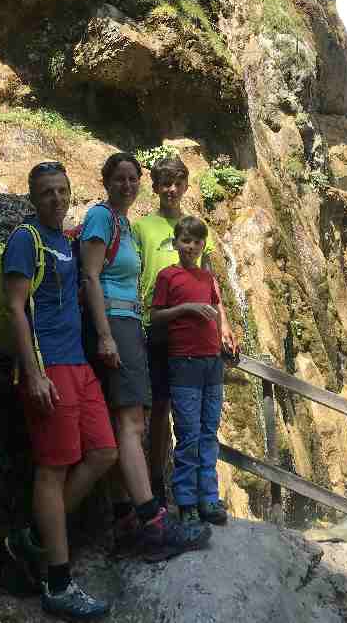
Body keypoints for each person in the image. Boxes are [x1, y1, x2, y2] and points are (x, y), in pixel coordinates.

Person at [81, 152, 211, 561]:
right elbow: (90, 274)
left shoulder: (119, 222)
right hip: (118, 325)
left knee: (131, 422)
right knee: (133, 421)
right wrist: (105, 335)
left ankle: (127, 518)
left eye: (132, 178)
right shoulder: (106, 218)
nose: (127, 185)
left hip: (129, 324)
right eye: (120, 178)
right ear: (107, 181)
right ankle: (153, 520)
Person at [2, 161, 117, 620]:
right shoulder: (24, 240)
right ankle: (58, 581)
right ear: (34, 198)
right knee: (53, 469)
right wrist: (33, 374)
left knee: (104, 452)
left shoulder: (64, 241)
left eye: (62, 190)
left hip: (80, 365)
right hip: (49, 366)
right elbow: (15, 308)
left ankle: (34, 538)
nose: (56, 198)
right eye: (47, 192)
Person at [131, 156, 236, 510]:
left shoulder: (197, 229)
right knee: (160, 406)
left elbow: (210, 283)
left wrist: (225, 325)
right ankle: (157, 482)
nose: (171, 189)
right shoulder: (142, 227)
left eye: (177, 183)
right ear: (156, 187)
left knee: (196, 420)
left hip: (196, 338)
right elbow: (136, 271)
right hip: (158, 326)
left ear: (186, 186)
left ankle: (198, 494)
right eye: (164, 183)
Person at [151, 216, 228, 526]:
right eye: (186, 241)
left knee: (209, 432)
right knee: (188, 434)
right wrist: (186, 309)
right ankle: (186, 501)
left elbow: (216, 313)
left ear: (202, 245)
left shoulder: (207, 278)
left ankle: (208, 498)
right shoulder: (167, 276)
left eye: (197, 242)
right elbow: (155, 316)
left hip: (212, 362)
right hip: (183, 361)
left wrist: (222, 341)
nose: (191, 247)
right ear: (176, 242)